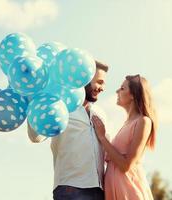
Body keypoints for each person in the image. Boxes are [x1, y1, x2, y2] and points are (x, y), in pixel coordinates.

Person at [28, 61, 110, 200]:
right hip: (70, 189)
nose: (102, 88)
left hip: (99, 190)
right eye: (99, 82)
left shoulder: (100, 113)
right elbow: (36, 137)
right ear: (85, 78)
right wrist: (34, 106)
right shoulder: (60, 108)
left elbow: (109, 152)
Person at [92, 74, 158, 200]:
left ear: (133, 95)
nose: (117, 91)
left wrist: (102, 137)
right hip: (116, 190)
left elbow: (126, 165)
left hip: (129, 191)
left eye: (122, 88)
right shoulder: (126, 124)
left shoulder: (143, 121)